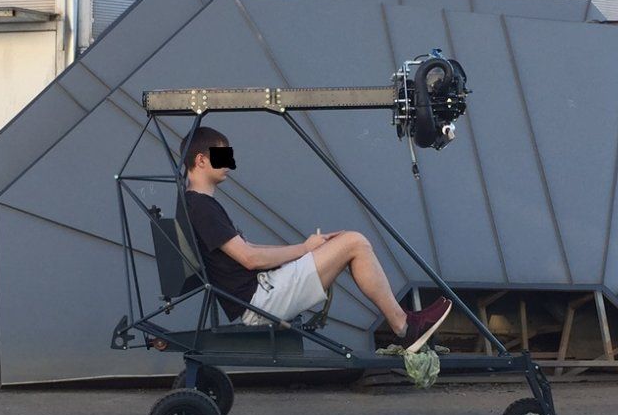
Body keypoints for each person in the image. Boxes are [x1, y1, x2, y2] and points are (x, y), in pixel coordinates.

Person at [180, 126, 453, 353]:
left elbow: (248, 248)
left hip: (261, 293)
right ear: (201, 160)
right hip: (259, 302)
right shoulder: (202, 207)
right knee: (355, 242)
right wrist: (304, 248)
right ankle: (405, 327)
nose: (229, 163)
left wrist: (309, 249)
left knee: (347, 242)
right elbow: (250, 259)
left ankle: (404, 324)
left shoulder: (199, 204)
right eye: (222, 155)